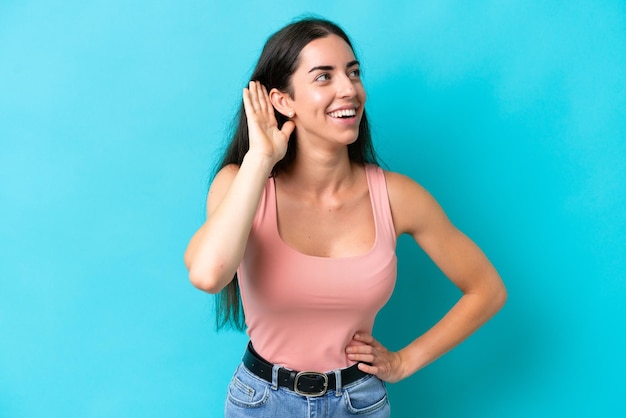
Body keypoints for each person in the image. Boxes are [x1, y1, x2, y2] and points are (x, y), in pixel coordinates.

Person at [184, 16, 507, 417]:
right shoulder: (240, 184)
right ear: (283, 101)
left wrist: (405, 361)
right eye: (324, 77)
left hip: (359, 403)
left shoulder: (397, 196)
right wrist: (260, 159)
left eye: (353, 73)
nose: (348, 89)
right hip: (262, 404)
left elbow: (487, 289)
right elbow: (208, 275)